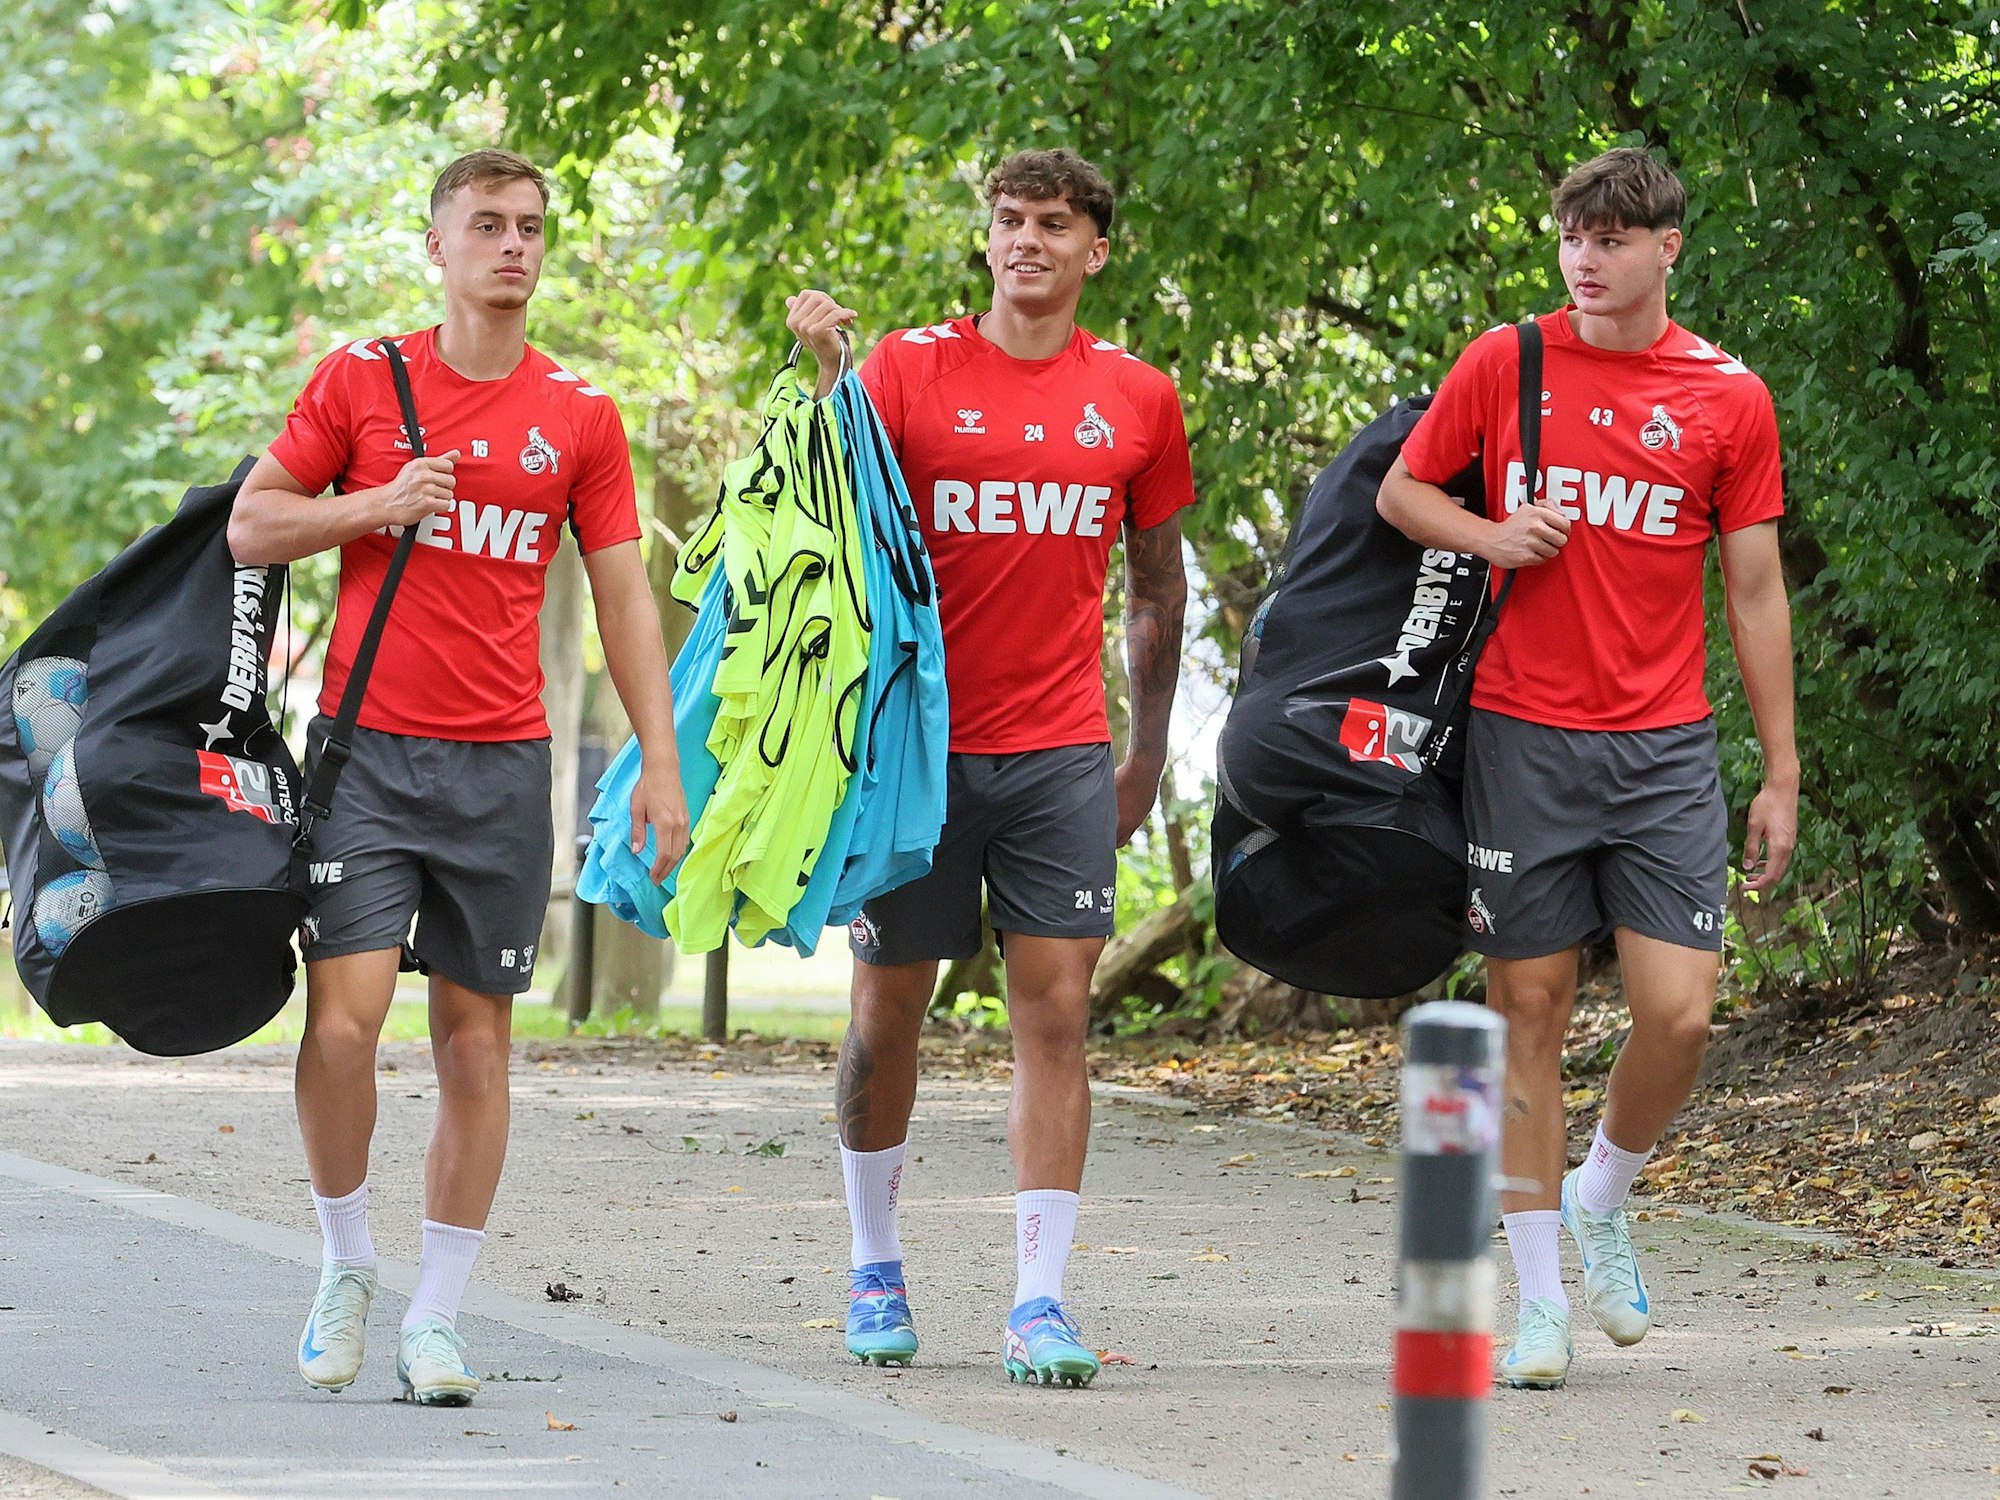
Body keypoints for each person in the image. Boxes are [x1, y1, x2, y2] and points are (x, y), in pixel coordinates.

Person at [228, 149, 689, 1406]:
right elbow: (252, 524)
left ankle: (437, 1315)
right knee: (340, 1025)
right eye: (486, 225)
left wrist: (660, 760)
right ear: (437, 245)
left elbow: (622, 594)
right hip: (367, 755)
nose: (513, 246)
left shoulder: (580, 415)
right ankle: (345, 1264)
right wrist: (372, 504)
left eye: (532, 226)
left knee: (475, 1046)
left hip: (501, 770)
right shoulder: (362, 380)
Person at [1377, 147, 1798, 1388]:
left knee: (1677, 1014)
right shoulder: (1504, 364)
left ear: (1667, 246)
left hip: (1663, 746)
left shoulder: (1727, 396)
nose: (1584, 256)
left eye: (1612, 237)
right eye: (1571, 234)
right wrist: (1490, 532)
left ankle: (1598, 1193)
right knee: (1530, 1014)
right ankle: (1540, 1302)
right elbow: (1404, 493)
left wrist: (1778, 771)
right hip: (1520, 735)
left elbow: (1756, 587)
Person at [784, 148, 1193, 1387]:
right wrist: (822, 376)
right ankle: (872, 1263)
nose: (1025, 241)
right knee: (885, 1014)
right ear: (989, 238)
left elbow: (1157, 587)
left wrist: (1146, 754)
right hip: (915, 757)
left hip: (1061, 753)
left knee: (1056, 1017)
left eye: (1052, 224)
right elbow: (819, 521)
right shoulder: (907, 369)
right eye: (1009, 221)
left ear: (1093, 250)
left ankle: (1037, 1300)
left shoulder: (1136, 397)